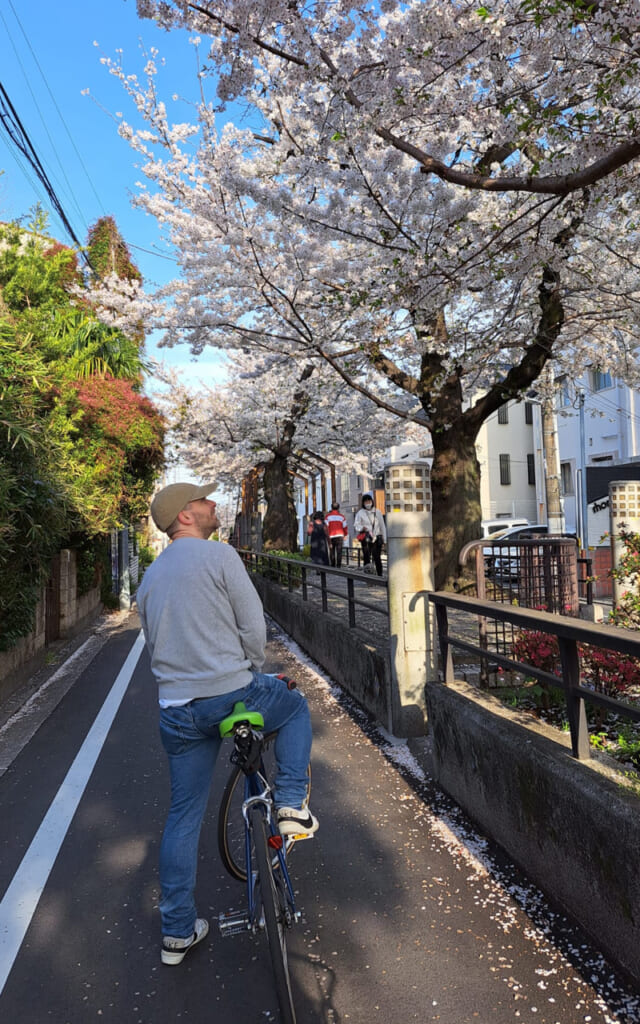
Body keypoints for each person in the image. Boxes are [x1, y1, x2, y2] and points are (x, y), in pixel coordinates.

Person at [136, 481, 318, 967]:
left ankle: (177, 932)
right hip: (233, 692)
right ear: (186, 516)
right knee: (296, 708)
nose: (213, 504)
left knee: (182, 816)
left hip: (177, 711)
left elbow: (155, 646)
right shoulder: (219, 557)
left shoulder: (150, 578)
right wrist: (250, 669)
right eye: (204, 500)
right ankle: (290, 804)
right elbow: (253, 628)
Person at [354, 493, 387, 576]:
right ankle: (368, 576)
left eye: (369, 501)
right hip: (366, 537)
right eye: (366, 502)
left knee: (377, 557)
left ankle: (379, 575)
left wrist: (385, 538)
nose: (368, 503)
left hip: (377, 536)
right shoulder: (360, 513)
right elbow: (356, 525)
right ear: (363, 503)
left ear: (372, 501)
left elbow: (382, 525)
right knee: (366, 557)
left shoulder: (377, 511)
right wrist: (362, 528)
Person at [325, 501, 349, 568]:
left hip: (331, 536)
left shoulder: (327, 516)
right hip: (340, 535)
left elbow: (326, 527)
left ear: (331, 508)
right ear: (338, 508)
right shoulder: (342, 517)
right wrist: (345, 534)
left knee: (332, 551)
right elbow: (345, 526)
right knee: (339, 551)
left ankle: (333, 565)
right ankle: (338, 566)